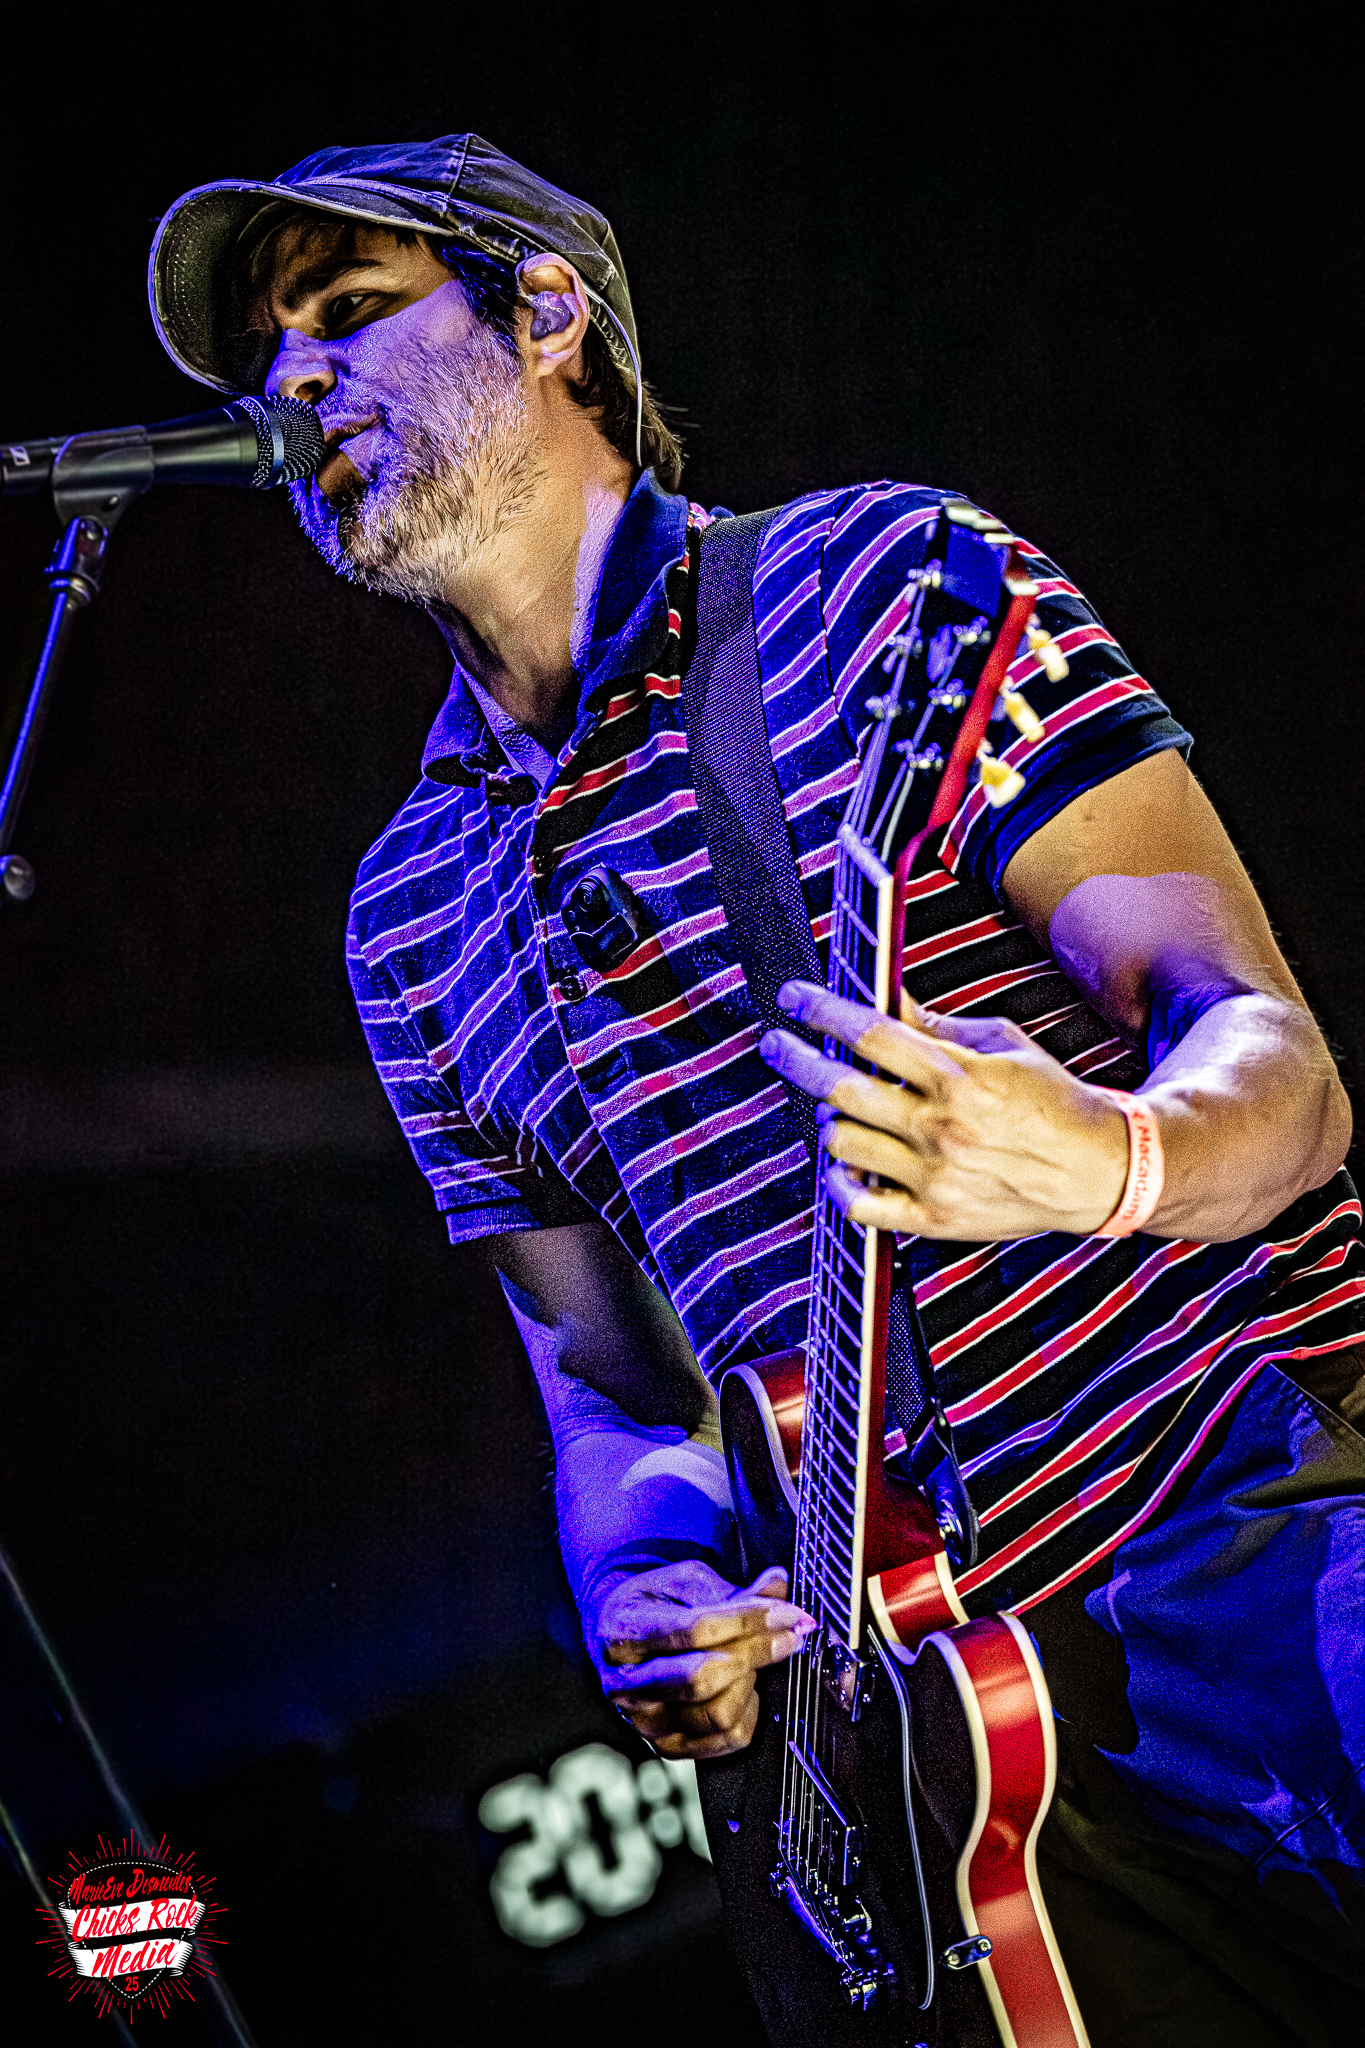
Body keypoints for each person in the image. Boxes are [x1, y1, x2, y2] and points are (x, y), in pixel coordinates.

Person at [151, 134, 1364, 2036]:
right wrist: (644, 1587)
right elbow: (612, 1390)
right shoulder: (408, 910)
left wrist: (1101, 1153)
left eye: (350, 311)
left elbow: (1274, 1069)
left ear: (547, 314)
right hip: (917, 1736)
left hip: (1243, 1524)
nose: (291, 378)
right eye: (263, 356)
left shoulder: (873, 582)